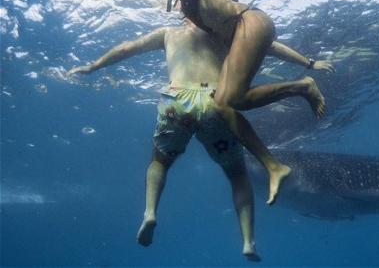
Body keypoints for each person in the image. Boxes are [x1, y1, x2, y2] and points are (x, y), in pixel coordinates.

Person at [88, 0, 334, 203]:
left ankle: (303, 87)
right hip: (251, 27)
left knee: (233, 100)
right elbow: (270, 46)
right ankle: (274, 167)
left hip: (250, 22)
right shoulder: (216, 16)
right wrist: (308, 61)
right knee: (223, 106)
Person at [68, 19, 328, 260]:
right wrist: (309, 63)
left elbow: (128, 48)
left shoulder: (168, 33)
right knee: (237, 176)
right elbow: (269, 46)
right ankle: (248, 241)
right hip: (215, 101)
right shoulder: (225, 34)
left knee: (159, 163)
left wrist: (95, 65)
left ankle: (149, 213)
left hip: (176, 100)